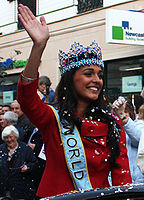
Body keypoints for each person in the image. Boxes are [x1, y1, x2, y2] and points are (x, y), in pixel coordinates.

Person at [17, 4, 132, 198]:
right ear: (71, 79)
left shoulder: (113, 122)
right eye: (88, 74)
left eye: (100, 75)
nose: (97, 80)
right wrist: (38, 47)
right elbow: (26, 98)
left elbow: (123, 179)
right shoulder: (53, 119)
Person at [0, 125, 38, 200]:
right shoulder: (1, 148)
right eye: (6, 138)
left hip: (21, 188)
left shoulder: (25, 149)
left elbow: (35, 164)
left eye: (11, 137)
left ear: (15, 136)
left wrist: (28, 167)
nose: (9, 140)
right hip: (4, 188)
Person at [112, 97, 144, 184]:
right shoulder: (112, 128)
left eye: (123, 110)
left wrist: (123, 118)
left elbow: (139, 137)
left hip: (138, 184)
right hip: (119, 183)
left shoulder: (139, 125)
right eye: (115, 111)